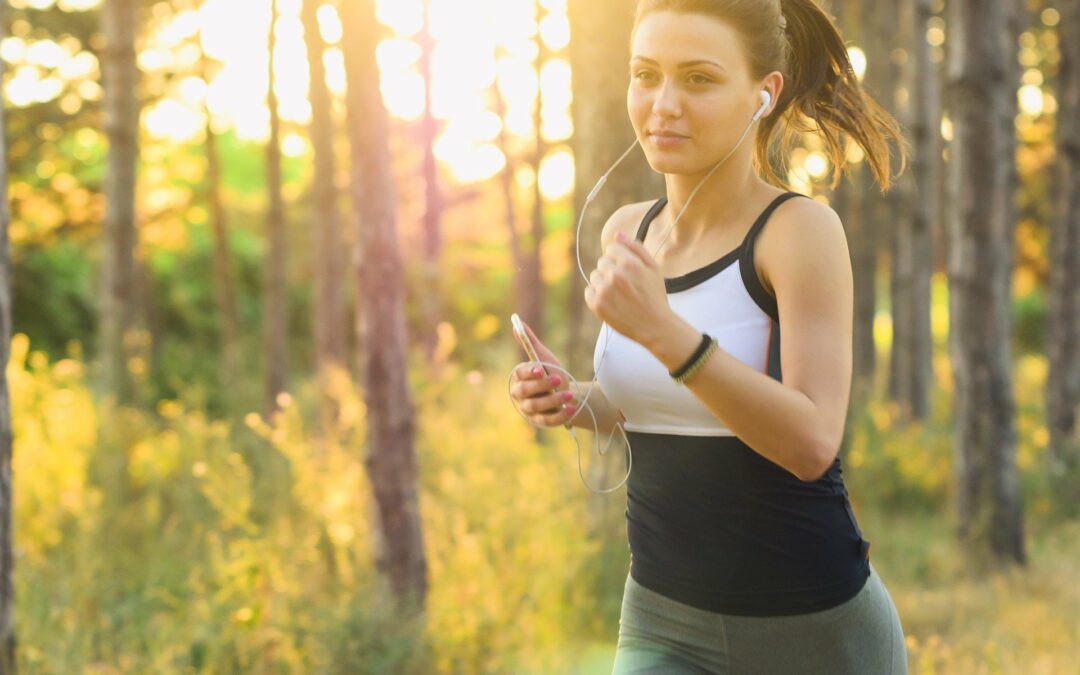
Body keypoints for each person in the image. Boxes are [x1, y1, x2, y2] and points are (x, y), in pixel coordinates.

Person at [509, 0, 910, 672]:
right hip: (662, 619)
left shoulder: (797, 232)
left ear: (765, 93)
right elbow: (660, 404)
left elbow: (811, 442)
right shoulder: (627, 231)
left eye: (698, 78)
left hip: (814, 630)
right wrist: (576, 399)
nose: (663, 104)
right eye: (646, 75)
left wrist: (666, 333)